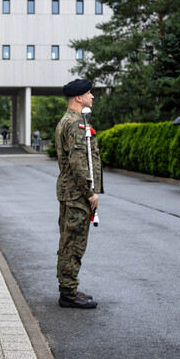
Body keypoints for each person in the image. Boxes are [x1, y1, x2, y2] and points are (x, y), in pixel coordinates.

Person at [54, 78, 101, 309]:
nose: (92, 96)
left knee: (69, 241)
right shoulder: (74, 124)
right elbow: (79, 161)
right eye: (89, 93)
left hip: (69, 192)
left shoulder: (68, 121)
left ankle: (69, 289)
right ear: (78, 97)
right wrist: (90, 192)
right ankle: (69, 292)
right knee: (74, 243)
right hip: (76, 194)